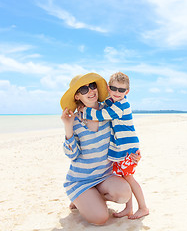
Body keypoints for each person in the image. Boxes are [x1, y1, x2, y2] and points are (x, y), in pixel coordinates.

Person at [60, 73, 141, 225]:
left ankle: (89, 199)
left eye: (92, 86)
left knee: (124, 193)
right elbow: (72, 155)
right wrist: (68, 126)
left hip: (104, 176)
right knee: (100, 219)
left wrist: (133, 152)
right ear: (77, 96)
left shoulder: (109, 111)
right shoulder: (75, 119)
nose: (91, 91)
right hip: (81, 180)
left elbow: (125, 130)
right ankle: (80, 198)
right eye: (84, 89)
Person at [82, 71, 149, 219]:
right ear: (108, 88)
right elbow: (102, 105)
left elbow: (101, 115)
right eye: (114, 88)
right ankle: (129, 208)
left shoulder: (122, 105)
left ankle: (143, 207)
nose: (117, 92)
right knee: (124, 178)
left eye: (121, 90)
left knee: (129, 178)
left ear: (127, 91)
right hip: (121, 149)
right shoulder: (112, 102)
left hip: (128, 150)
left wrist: (85, 110)